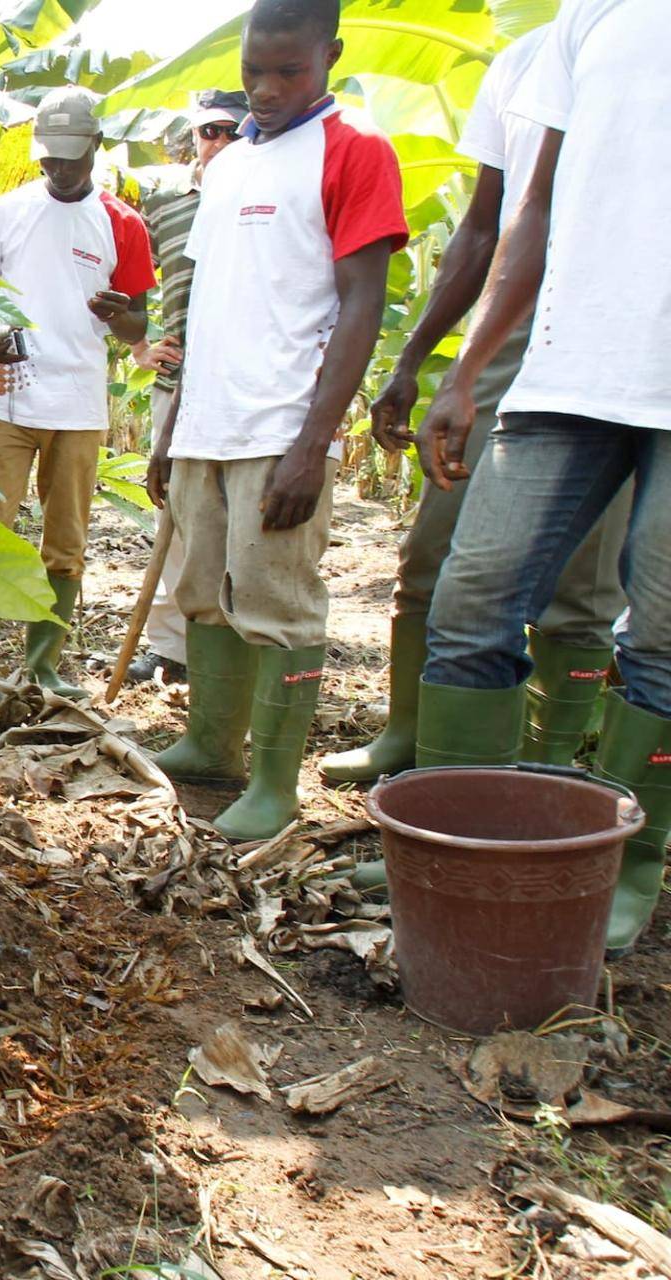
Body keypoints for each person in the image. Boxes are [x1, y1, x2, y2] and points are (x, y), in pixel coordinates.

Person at [413, 0, 671, 954]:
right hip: (571, 367)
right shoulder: (590, 16)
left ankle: (623, 871)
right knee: (472, 602)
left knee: (662, 639)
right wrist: (470, 363)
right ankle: (456, 842)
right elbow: (537, 205)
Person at [319, 22, 629, 784]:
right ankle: (414, 743)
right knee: (436, 557)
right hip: (513, 335)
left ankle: (547, 769)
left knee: (583, 593)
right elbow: (484, 229)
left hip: (624, 345)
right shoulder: (522, 65)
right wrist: (418, 359)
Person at [145, 0, 406, 841]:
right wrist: (172, 426)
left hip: (280, 426)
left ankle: (274, 786)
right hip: (208, 423)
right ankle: (211, 746)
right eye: (254, 70)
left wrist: (312, 444)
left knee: (277, 602)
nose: (265, 89)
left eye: (288, 71)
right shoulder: (225, 167)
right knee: (204, 594)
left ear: (330, 55)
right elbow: (211, 307)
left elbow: (363, 299)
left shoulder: (353, 150)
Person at [0, 85, 154, 697]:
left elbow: (137, 325)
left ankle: (43, 666)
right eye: (50, 156)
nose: (60, 167)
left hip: (77, 398)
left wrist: (121, 314)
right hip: (6, 392)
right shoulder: (4, 214)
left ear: (97, 147)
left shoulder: (122, 223)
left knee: (65, 538)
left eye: (73, 155)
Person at [126, 90, 249, 688]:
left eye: (231, 131)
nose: (218, 143)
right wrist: (141, 346)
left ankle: (233, 644)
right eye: (209, 132)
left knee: (237, 517)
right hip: (177, 384)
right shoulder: (165, 206)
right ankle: (172, 649)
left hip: (246, 387)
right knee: (174, 515)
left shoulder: (258, 195)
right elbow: (132, 284)